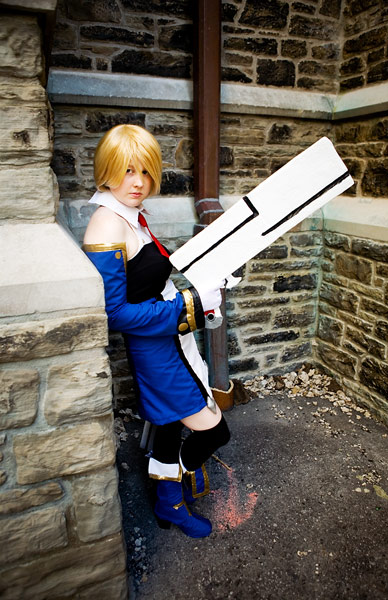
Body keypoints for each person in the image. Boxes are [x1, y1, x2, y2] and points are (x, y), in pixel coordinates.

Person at [83, 124, 230, 538]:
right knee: (215, 431)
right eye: (128, 170)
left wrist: (204, 288)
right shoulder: (107, 225)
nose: (139, 182)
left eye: (146, 171)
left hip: (170, 339)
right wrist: (192, 304)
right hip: (156, 353)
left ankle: (170, 505)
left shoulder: (132, 215)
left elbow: (151, 281)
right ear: (107, 170)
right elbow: (115, 314)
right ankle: (175, 482)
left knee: (168, 423)